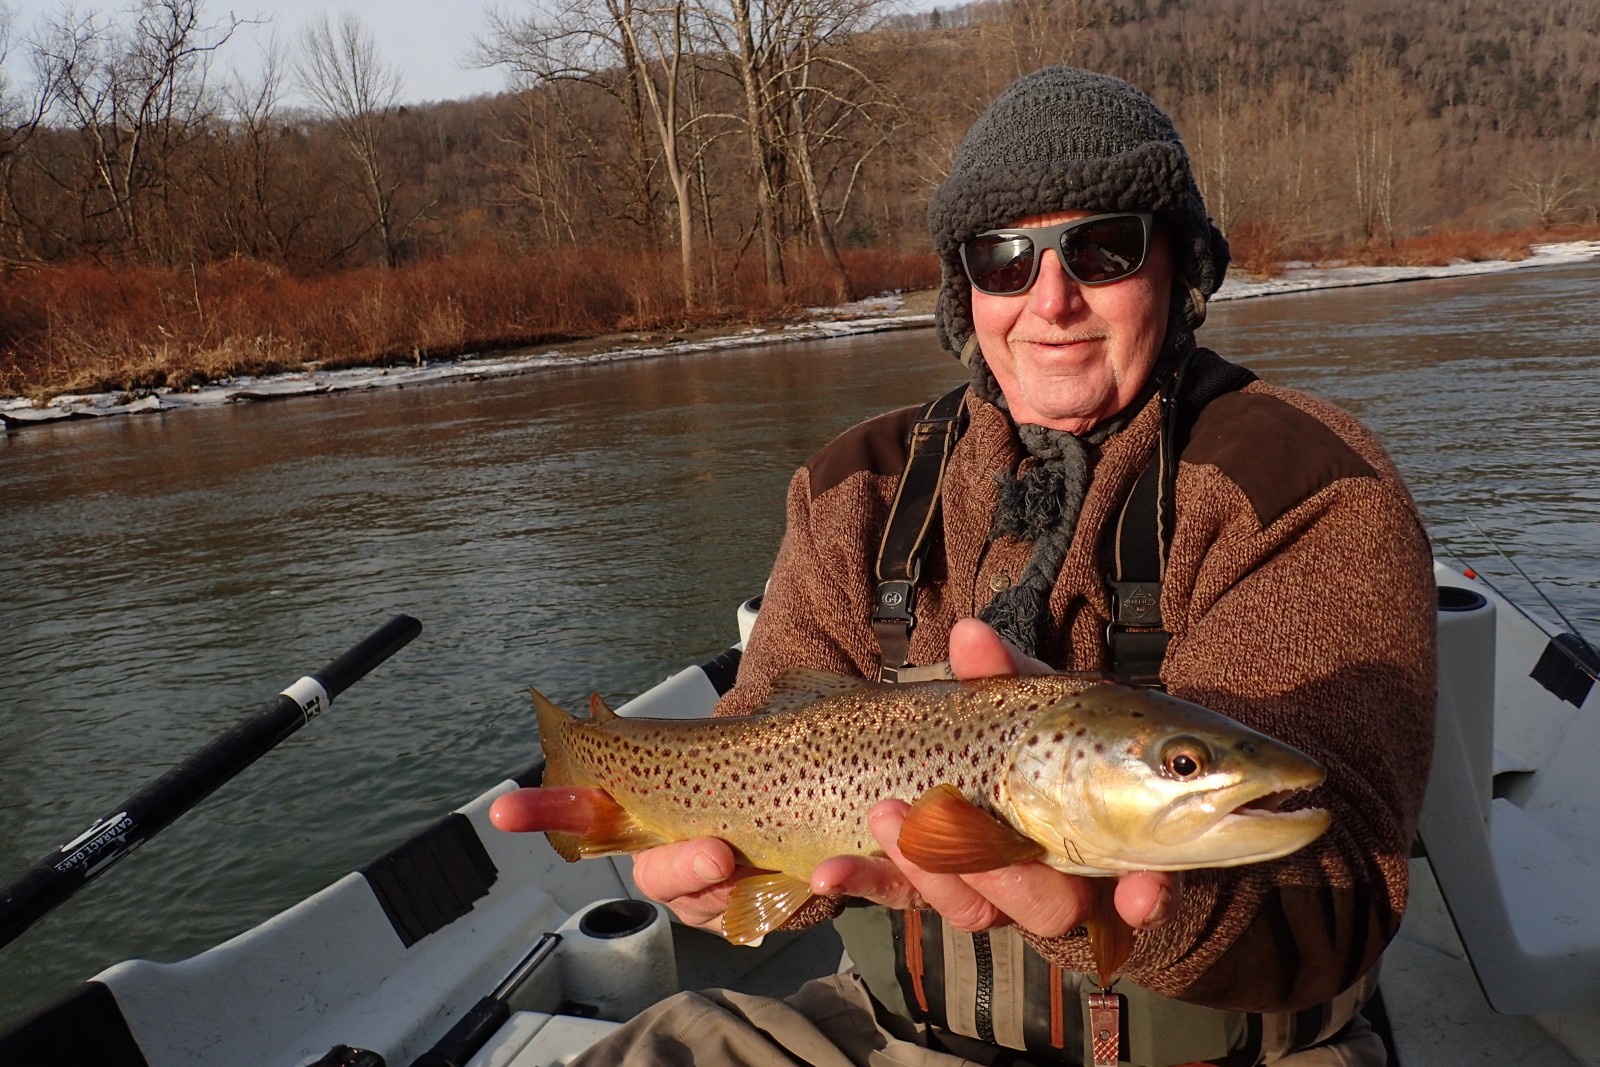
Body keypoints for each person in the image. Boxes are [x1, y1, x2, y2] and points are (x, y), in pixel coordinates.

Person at [496, 65, 1437, 1066]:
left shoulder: (1303, 481)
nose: (1053, 298)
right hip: (898, 1038)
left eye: (1103, 247)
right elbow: (763, 732)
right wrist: (730, 876)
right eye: (1003, 258)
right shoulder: (854, 485)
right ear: (965, 290)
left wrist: (1100, 909)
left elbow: (1336, 887)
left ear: (1177, 263)